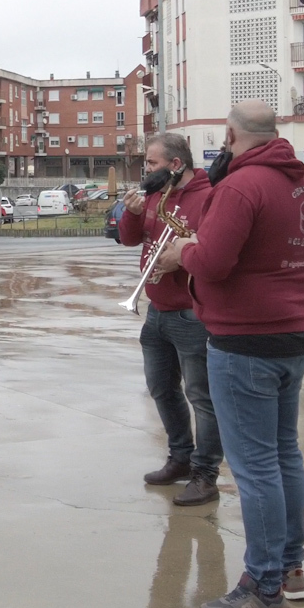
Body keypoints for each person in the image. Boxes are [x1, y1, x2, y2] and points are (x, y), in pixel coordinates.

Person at [154, 100, 304, 608]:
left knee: (255, 469)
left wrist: (184, 252)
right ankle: (289, 571)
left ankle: (263, 588)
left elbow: (216, 262)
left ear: (230, 134)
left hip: (245, 339)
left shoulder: (241, 186)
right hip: (295, 332)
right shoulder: (303, 183)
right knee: (284, 455)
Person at [117, 132, 220, 505]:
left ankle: (205, 474)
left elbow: (214, 253)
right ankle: (180, 457)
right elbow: (132, 239)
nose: (146, 169)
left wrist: (184, 253)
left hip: (191, 313)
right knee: (161, 388)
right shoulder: (158, 196)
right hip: (156, 310)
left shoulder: (209, 197)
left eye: (152, 163)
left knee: (201, 397)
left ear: (175, 165)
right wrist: (131, 213)